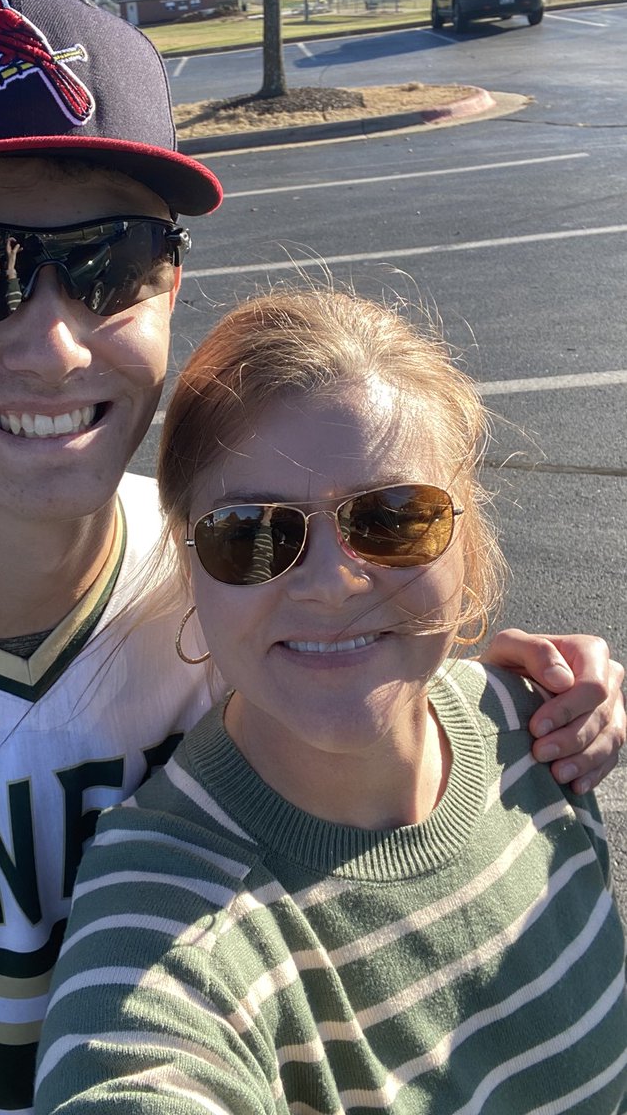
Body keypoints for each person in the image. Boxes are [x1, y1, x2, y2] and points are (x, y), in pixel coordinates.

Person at [0, 0, 621, 1115]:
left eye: (109, 261)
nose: (53, 343)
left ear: (168, 286)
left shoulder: (248, 558)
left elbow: (380, 663)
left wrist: (546, 702)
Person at [34, 289, 627, 1115]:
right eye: (253, 534)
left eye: (392, 520)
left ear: (469, 534)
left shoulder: (538, 728)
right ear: (189, 564)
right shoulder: (165, 913)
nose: (328, 586)